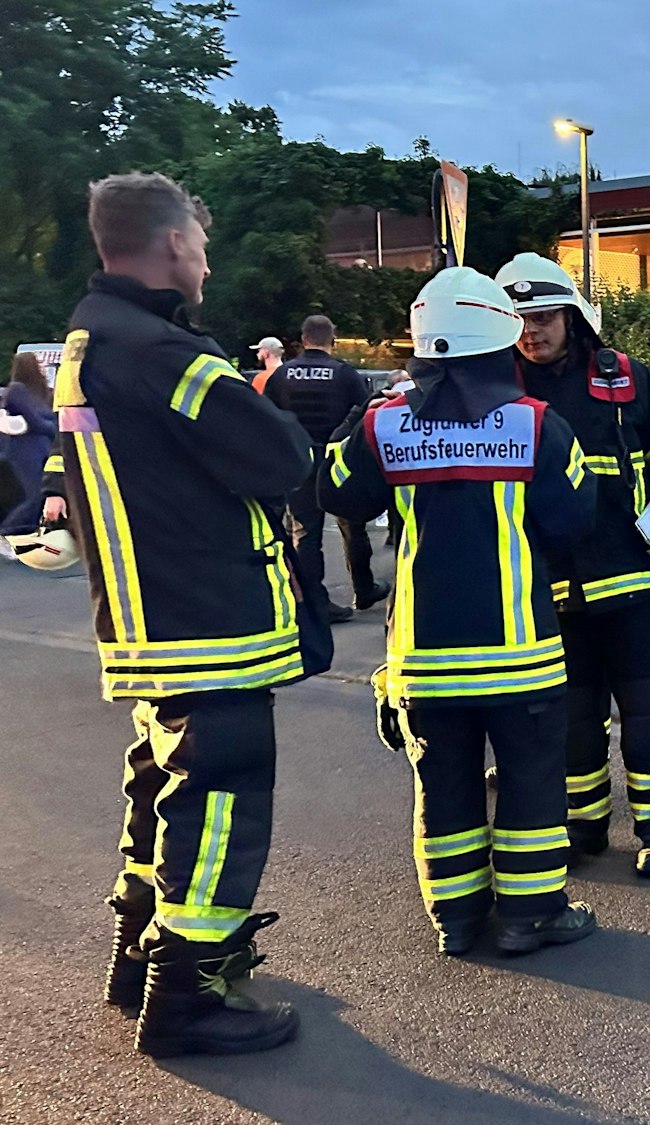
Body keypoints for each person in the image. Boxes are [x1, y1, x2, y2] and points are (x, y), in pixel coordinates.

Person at [44, 172, 315, 1056]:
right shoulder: (167, 354)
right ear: (171, 245)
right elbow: (279, 456)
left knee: (160, 787)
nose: (205, 260)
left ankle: (138, 956)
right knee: (222, 802)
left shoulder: (89, 341)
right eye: (199, 244)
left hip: (146, 616)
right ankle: (188, 996)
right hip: (209, 618)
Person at [319, 267, 599, 957]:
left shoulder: (386, 424)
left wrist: (361, 419)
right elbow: (574, 520)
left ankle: (456, 916)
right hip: (519, 653)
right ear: (501, 339)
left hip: (424, 659)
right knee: (532, 784)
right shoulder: (537, 425)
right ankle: (529, 915)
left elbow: (338, 493)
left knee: (443, 788)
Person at [497, 252, 650, 878]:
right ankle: (583, 823)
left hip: (634, 586)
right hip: (544, 593)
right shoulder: (495, 389)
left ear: (571, 316)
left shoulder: (625, 378)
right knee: (570, 720)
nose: (531, 331)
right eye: (518, 320)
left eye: (542, 317)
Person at [262, 314, 386, 624]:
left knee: (305, 534)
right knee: (352, 526)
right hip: (339, 462)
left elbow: (268, 418)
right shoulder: (345, 374)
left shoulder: (282, 375)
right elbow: (363, 417)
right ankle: (363, 588)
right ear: (332, 340)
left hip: (299, 462)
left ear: (303, 340)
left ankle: (315, 602)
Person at [2, 351, 56, 535]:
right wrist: (57, 431)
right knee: (35, 495)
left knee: (43, 495)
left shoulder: (41, 391)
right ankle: (6, 532)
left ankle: (25, 534)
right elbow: (35, 422)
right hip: (23, 451)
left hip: (42, 448)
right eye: (38, 363)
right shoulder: (17, 390)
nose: (42, 367)